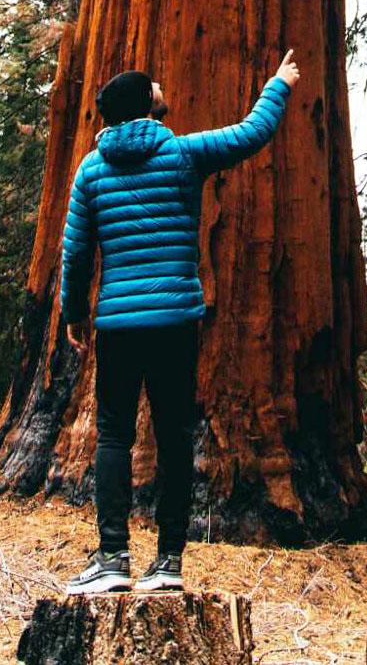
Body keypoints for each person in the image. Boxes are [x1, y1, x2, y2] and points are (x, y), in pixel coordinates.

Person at [60, 50, 300, 595]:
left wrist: (73, 312)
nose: (163, 84)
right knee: (173, 437)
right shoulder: (183, 155)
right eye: (154, 84)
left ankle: (113, 557)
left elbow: (76, 254)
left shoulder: (91, 171)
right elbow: (251, 134)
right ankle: (168, 561)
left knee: (115, 436)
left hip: (118, 324)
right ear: (147, 102)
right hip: (175, 322)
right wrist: (278, 84)